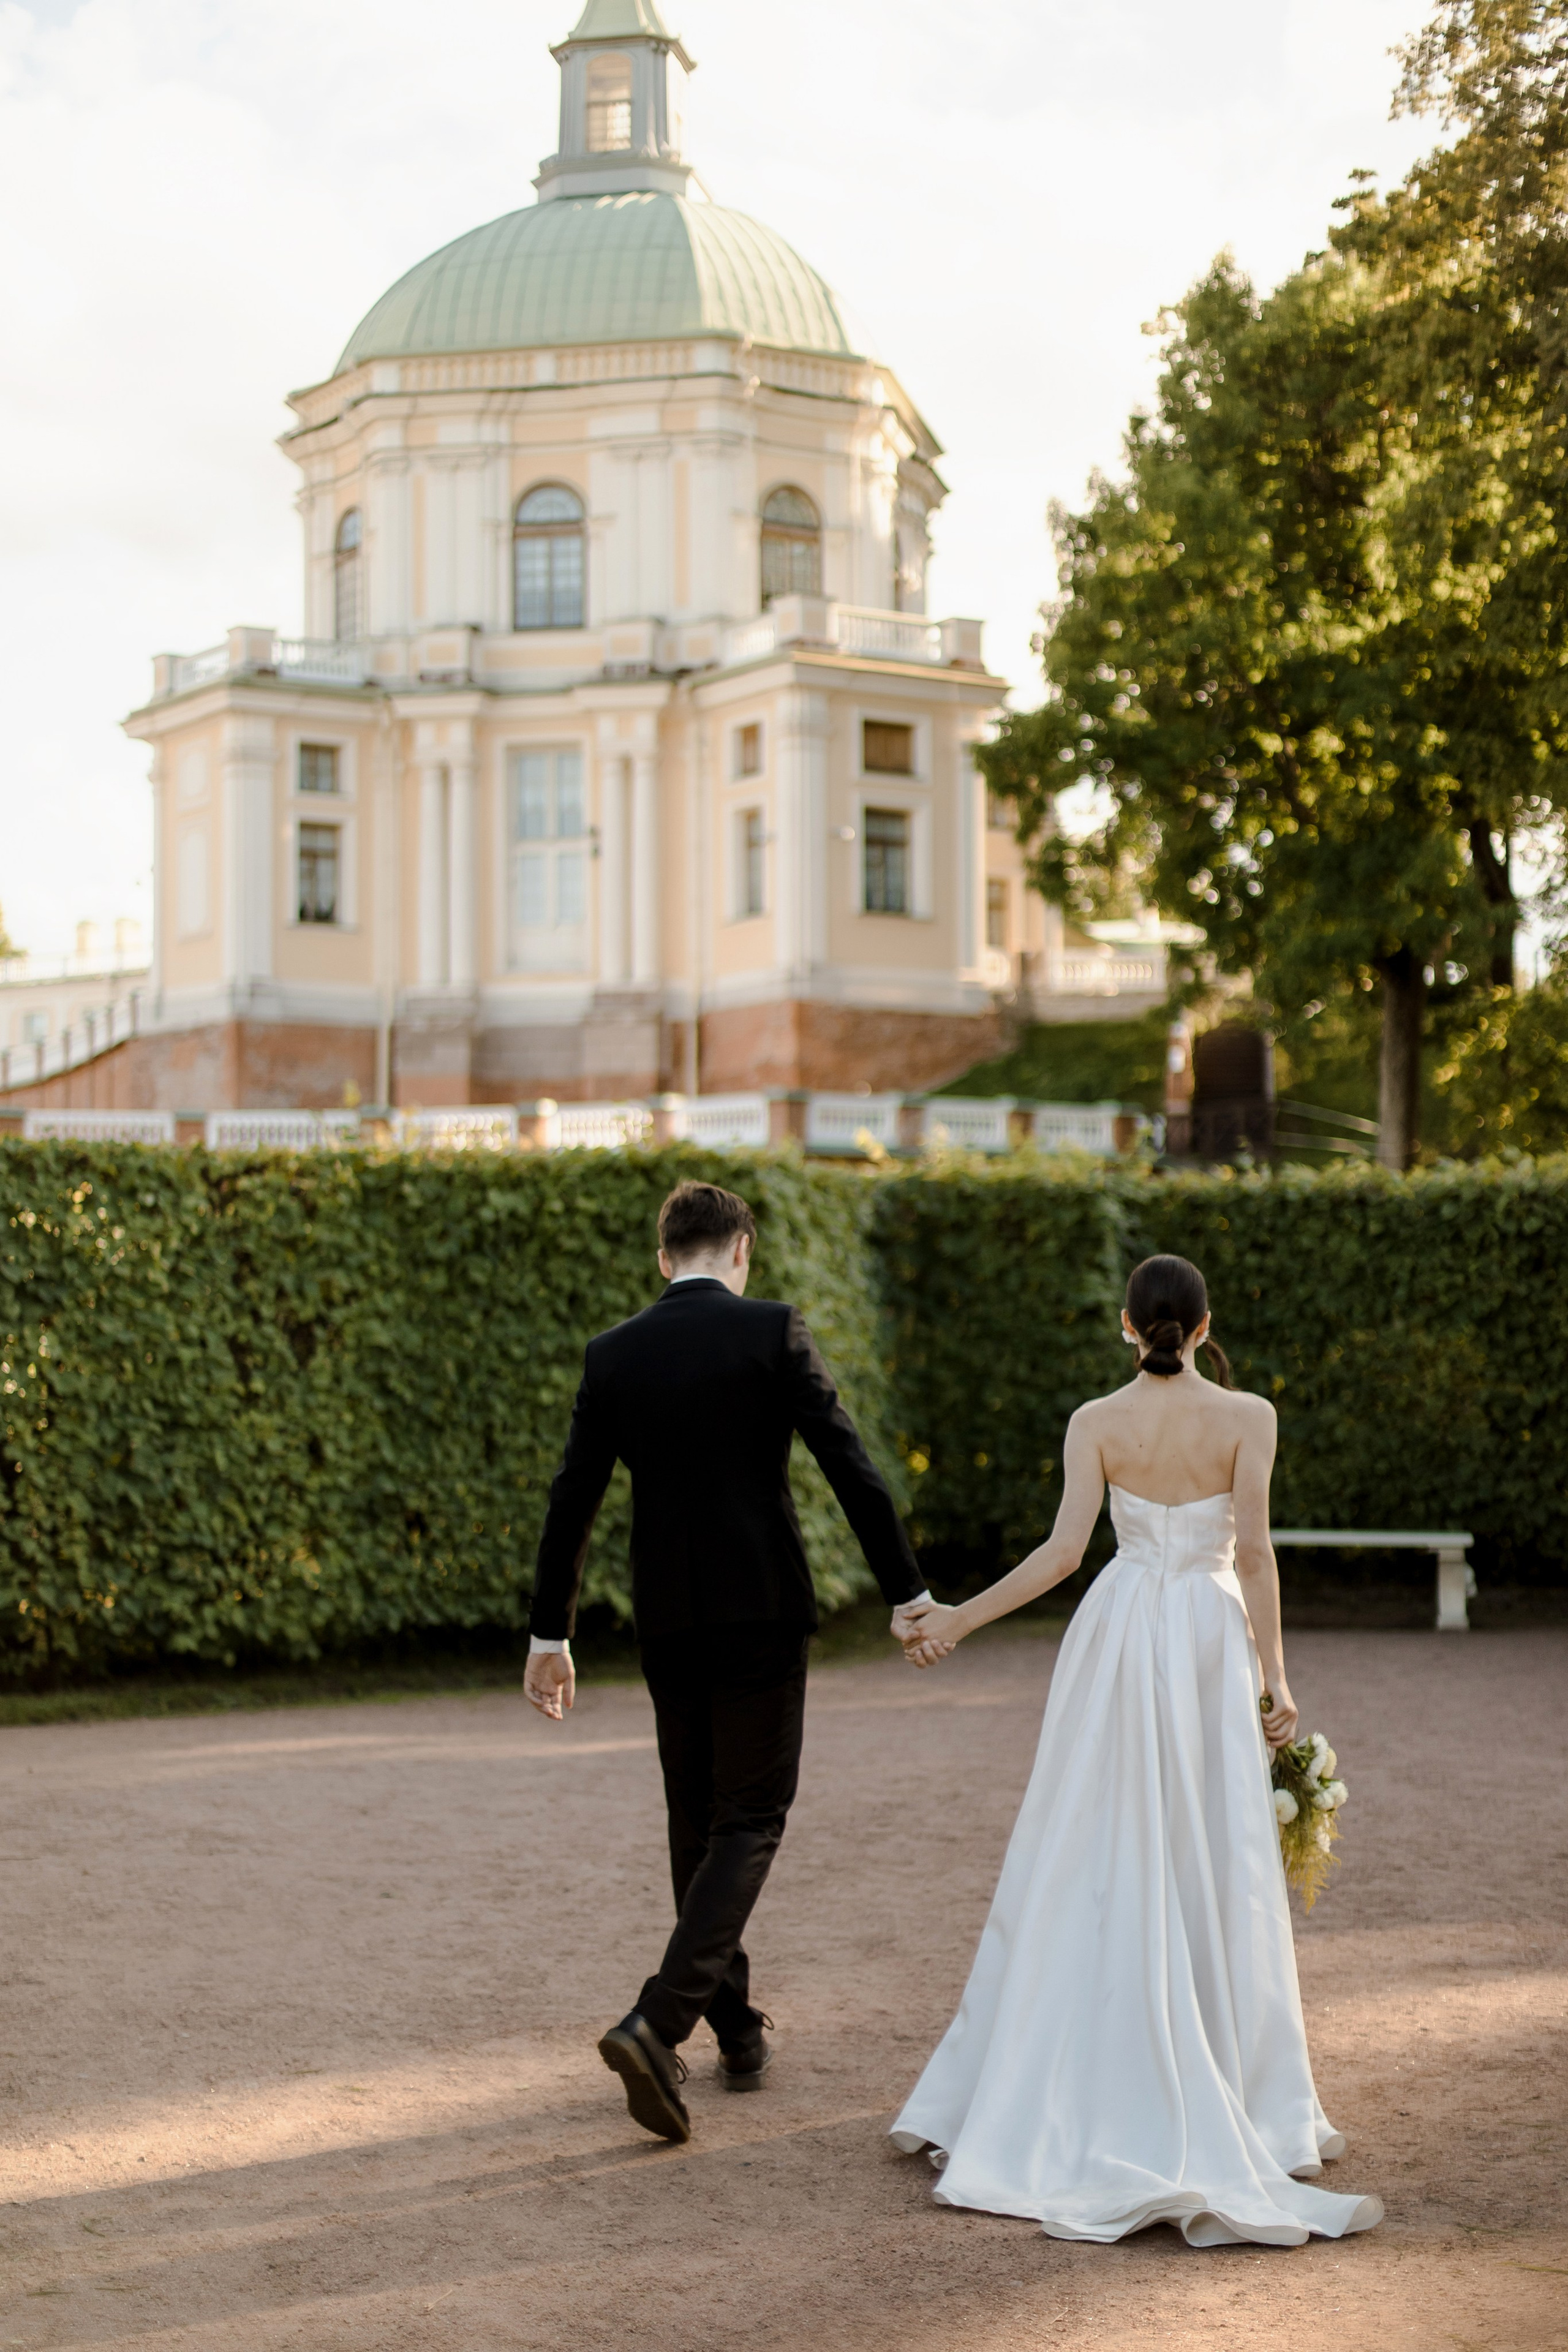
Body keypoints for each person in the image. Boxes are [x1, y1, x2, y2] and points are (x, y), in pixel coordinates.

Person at [891, 1254, 1384, 2248]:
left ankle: (1064, 2075)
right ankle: (1249, 2092)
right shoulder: (1250, 1418)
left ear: (1127, 1326)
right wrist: (1276, 1679)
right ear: (1204, 1326)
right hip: (1206, 1634)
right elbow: (1252, 1554)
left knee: (1092, 1839)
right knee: (1213, 1846)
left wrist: (958, 1619)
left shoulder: (1095, 1422)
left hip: (1118, 1638)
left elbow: (1065, 1555)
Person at [525, 1180, 929, 2145]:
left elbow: (570, 1500)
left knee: (697, 1817)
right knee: (749, 1816)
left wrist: (551, 1633)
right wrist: (907, 1594)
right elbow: (851, 1467)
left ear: (663, 1259)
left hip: (669, 1619)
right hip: (763, 1608)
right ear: (741, 1250)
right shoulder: (773, 1332)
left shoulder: (613, 1355)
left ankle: (737, 2030)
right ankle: (660, 2023)